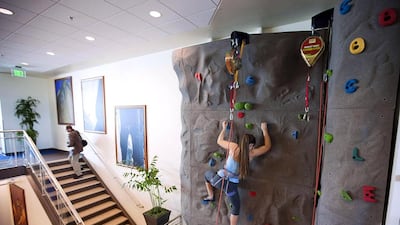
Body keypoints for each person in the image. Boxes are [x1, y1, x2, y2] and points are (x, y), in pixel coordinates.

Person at [204, 120, 271, 225]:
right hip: (231, 187)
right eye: (252, 146)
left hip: (218, 181)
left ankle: (211, 195)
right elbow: (267, 147)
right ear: (251, 145)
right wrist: (265, 129)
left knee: (207, 175)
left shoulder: (234, 147)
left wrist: (223, 128)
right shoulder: (252, 153)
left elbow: (219, 141)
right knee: (235, 208)